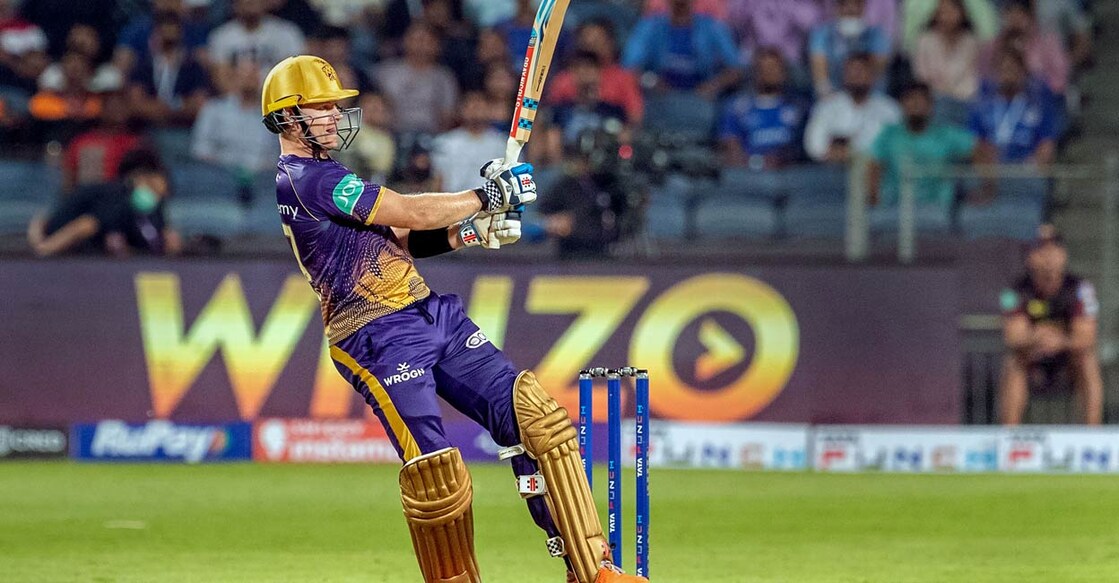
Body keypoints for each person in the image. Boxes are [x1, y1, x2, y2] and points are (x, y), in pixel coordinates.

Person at [261, 54, 645, 583]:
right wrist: (484, 196)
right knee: (436, 476)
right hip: (373, 335)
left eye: (334, 106)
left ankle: (594, 570)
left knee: (541, 420)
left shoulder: (327, 173)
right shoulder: (302, 178)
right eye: (321, 108)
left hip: (428, 313)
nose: (334, 116)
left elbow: (398, 240)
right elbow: (406, 212)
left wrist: (472, 231)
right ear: (288, 117)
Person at [1000, 225, 1102, 425]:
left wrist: (1059, 340)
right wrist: (1038, 338)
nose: (1048, 256)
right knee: (1013, 362)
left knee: (1088, 359)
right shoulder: (1013, 291)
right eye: (1041, 249)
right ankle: (1009, 436)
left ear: (1063, 254)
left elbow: (1087, 337)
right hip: (1034, 360)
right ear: (1030, 256)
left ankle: (1093, 434)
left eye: (1054, 248)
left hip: (1067, 360)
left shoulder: (1081, 289)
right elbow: (1013, 336)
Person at [27, 148, 181, 257]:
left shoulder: (153, 204)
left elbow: (155, 237)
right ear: (139, 178)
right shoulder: (118, 196)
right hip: (66, 244)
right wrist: (45, 248)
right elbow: (85, 225)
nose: (163, 192)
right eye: (157, 186)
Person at [867, 82, 980, 209]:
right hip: (896, 209)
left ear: (931, 106)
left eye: (921, 99)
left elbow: (982, 149)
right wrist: (873, 195)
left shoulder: (946, 134)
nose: (915, 104)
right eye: (910, 99)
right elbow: (874, 163)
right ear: (902, 105)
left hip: (938, 210)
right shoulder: (889, 134)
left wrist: (986, 188)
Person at [622, 0, 743, 96]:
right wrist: (651, 81)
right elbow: (629, 66)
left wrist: (713, 85)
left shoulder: (711, 27)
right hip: (660, 98)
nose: (681, 4)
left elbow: (735, 68)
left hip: (700, 98)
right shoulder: (651, 26)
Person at [719, 48, 807, 169]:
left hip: (788, 172)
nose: (771, 72)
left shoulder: (799, 107)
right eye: (765, 68)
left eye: (775, 67)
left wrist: (782, 160)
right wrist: (753, 163)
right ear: (756, 71)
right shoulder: (737, 107)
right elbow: (731, 144)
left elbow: (803, 146)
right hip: (748, 173)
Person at [804, 53, 900, 163]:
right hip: (828, 167)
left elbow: (893, 143)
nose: (856, 75)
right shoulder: (827, 106)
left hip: (874, 168)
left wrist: (853, 152)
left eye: (861, 70)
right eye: (852, 71)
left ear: (872, 75)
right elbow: (813, 144)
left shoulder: (889, 108)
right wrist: (833, 153)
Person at [970, 49, 1059, 166]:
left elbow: (1047, 145)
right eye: (1004, 70)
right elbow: (975, 143)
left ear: (1023, 73)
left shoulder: (1039, 108)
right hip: (992, 170)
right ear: (995, 73)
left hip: (1027, 170)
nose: (1008, 75)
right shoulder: (981, 109)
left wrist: (1033, 166)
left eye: (1012, 69)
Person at [548, 19, 644, 124]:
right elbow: (551, 116)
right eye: (586, 43)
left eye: (596, 42)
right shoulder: (564, 80)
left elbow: (635, 117)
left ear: (610, 43)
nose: (591, 48)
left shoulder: (624, 79)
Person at [375, 22, 459, 134]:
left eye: (426, 40)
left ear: (437, 45)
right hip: (390, 134)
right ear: (405, 41)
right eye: (416, 39)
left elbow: (448, 113)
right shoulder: (385, 71)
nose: (420, 45)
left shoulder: (444, 77)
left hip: (431, 135)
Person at [913, 0, 982, 118]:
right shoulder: (925, 41)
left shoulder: (971, 43)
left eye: (951, 11)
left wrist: (953, 93)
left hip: (965, 99)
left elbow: (972, 79)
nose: (947, 16)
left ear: (962, 14)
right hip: (935, 99)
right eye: (943, 12)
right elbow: (921, 77)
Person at [807, 0, 890, 98]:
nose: (851, 9)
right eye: (844, 4)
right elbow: (820, 73)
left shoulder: (876, 34)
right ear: (837, 7)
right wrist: (831, 100)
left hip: (870, 97)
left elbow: (878, 70)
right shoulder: (822, 34)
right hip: (832, 96)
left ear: (863, 7)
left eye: (856, 4)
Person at [431, 91, 507, 193]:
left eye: (480, 107)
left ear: (489, 110)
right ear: (461, 111)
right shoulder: (445, 142)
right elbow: (438, 180)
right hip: (454, 201)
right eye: (471, 107)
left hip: (491, 203)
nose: (475, 111)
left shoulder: (502, 143)